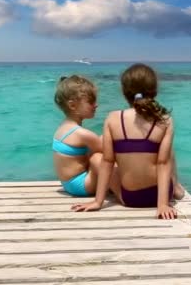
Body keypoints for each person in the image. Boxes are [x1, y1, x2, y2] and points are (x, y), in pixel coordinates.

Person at [72, 63, 185, 219]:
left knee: (97, 157)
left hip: (131, 199)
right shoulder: (165, 120)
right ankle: (177, 188)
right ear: (154, 90)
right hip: (160, 195)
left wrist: (98, 202)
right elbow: (163, 163)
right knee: (165, 151)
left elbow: (107, 161)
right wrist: (162, 205)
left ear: (124, 91)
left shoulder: (112, 118)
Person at [52, 75, 102, 196]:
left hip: (68, 184)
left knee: (101, 141)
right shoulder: (82, 134)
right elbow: (110, 155)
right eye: (91, 102)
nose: (96, 105)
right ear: (73, 105)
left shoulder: (63, 128)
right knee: (102, 152)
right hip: (82, 185)